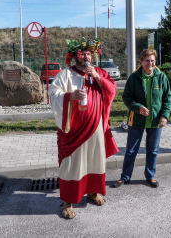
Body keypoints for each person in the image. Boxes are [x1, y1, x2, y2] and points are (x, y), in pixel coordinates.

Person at [49, 37, 118, 219]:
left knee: (94, 161)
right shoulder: (65, 75)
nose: (85, 57)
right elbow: (53, 94)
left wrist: (96, 76)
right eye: (82, 53)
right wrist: (70, 97)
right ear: (75, 56)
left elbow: (112, 90)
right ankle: (68, 200)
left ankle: (93, 192)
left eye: (88, 53)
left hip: (95, 128)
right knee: (72, 166)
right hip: (73, 131)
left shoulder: (99, 72)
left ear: (92, 55)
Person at [112, 49, 171, 188]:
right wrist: (138, 107)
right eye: (147, 60)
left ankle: (150, 176)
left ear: (155, 62)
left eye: (152, 60)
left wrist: (164, 115)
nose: (150, 63)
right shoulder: (134, 77)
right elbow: (126, 98)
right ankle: (125, 177)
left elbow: (167, 98)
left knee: (153, 150)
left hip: (155, 120)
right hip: (136, 120)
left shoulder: (161, 76)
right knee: (131, 150)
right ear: (141, 61)